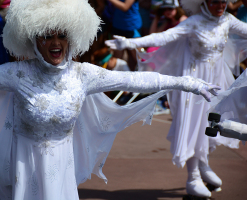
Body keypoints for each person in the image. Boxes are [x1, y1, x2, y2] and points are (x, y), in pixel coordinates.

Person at [0, 0, 220, 199]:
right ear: (33, 40)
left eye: (62, 34)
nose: (56, 42)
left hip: (62, 168)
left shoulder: (84, 74)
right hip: (24, 167)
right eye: (47, 35)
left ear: (72, 37)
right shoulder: (16, 73)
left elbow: (136, 80)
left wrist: (187, 82)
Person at [105, 0, 247, 198]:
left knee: (210, 125)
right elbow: (163, 37)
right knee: (193, 126)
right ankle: (193, 176)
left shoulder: (227, 20)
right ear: (204, 2)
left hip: (216, 82)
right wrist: (130, 42)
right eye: (215, 1)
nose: (220, 6)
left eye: (223, 1)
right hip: (193, 85)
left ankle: (204, 164)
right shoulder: (193, 22)